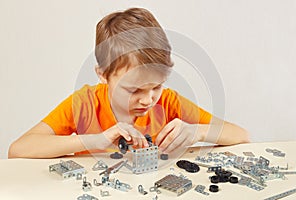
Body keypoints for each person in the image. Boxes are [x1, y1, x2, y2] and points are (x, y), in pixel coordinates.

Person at [8, 7, 249, 159]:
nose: (148, 99)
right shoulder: (85, 103)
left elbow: (241, 135)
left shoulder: (169, 101)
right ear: (103, 75)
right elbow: (18, 149)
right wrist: (95, 140)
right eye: (134, 90)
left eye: (156, 86)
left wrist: (198, 132)